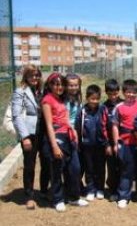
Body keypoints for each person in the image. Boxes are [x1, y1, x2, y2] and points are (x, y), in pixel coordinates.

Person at [41, 73, 88, 212]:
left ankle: (74, 197)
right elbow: (49, 124)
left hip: (69, 137)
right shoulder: (47, 100)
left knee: (74, 168)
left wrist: (73, 131)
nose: (59, 87)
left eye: (61, 84)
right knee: (57, 170)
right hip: (56, 137)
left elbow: (66, 119)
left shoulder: (61, 99)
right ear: (50, 85)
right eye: (56, 84)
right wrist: (54, 145)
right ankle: (58, 199)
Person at [11, 65, 47, 209]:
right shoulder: (20, 91)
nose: (35, 78)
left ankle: (44, 191)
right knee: (30, 165)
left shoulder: (43, 91)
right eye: (32, 75)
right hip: (29, 133)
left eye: (37, 75)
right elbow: (16, 115)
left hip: (43, 132)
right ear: (26, 76)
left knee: (46, 161)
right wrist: (24, 136)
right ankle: (29, 195)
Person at [75, 85, 110, 201]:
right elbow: (78, 128)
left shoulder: (103, 109)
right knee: (89, 168)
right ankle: (90, 189)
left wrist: (107, 143)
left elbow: (107, 127)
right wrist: (79, 144)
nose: (94, 101)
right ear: (87, 98)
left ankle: (100, 189)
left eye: (96, 99)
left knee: (100, 168)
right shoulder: (82, 111)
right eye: (92, 99)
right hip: (87, 146)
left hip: (100, 145)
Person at [112, 79, 137, 209]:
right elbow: (115, 126)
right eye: (128, 92)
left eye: (133, 92)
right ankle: (124, 196)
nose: (131, 95)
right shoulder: (118, 107)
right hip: (126, 143)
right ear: (124, 93)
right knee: (126, 171)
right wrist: (115, 143)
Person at [103, 79, 124, 201]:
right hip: (111, 143)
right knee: (111, 167)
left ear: (119, 91)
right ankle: (112, 190)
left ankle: (122, 190)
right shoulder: (104, 107)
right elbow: (103, 128)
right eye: (110, 94)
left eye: (115, 93)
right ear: (106, 93)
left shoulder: (123, 104)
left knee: (123, 167)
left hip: (124, 142)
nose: (113, 96)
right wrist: (107, 145)